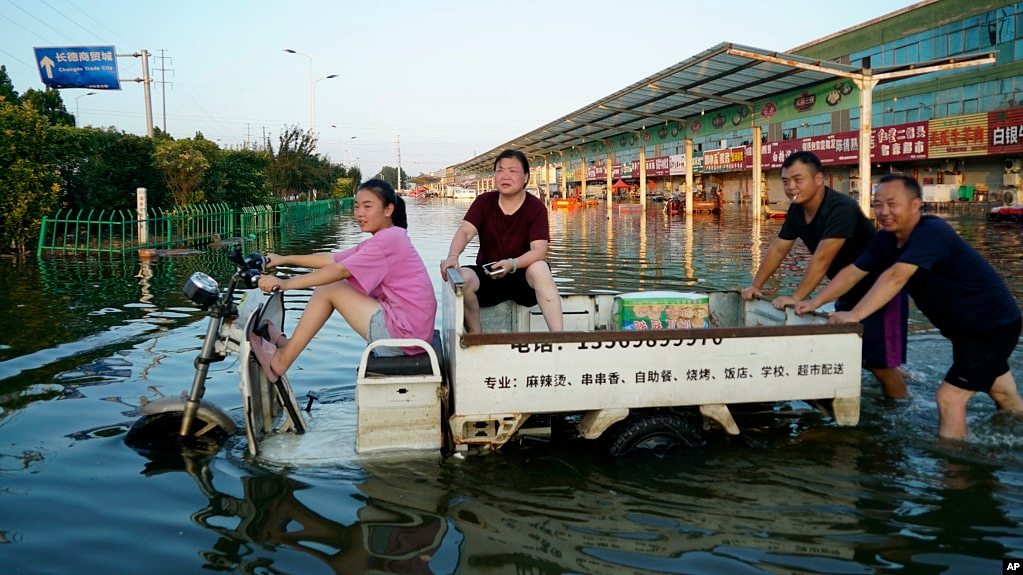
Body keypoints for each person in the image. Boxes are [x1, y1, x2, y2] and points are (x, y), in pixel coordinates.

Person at [796, 174, 1023, 440]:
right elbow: (854, 271)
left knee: (949, 399)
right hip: (967, 330)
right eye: (878, 204)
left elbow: (895, 277)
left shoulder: (932, 232)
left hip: (989, 327)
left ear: (916, 204)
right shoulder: (886, 240)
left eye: (892, 204)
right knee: (1003, 394)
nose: (884, 212)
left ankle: (954, 469)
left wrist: (855, 314)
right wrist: (813, 302)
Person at [741, 151, 908, 398]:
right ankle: (903, 379)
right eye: (786, 181)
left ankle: (902, 411)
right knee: (860, 354)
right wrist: (756, 285)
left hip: (881, 291)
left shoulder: (841, 208)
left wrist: (798, 298)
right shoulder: (797, 211)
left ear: (819, 179)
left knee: (880, 366)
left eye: (798, 179)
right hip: (846, 290)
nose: (791, 187)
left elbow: (822, 258)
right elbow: (778, 248)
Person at [250, 179, 437, 382]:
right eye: (356, 206)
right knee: (331, 285)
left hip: (405, 337)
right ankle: (289, 346)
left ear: (388, 210)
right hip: (411, 331)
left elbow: (339, 271)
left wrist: (284, 283)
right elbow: (331, 259)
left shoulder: (388, 241)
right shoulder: (389, 237)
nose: (360, 214)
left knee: (329, 288)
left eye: (368, 206)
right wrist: (283, 259)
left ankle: (281, 361)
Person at [440, 149, 563, 333]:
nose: (505, 176)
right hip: (490, 275)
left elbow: (539, 250)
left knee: (541, 268)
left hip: (523, 276)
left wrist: (512, 264)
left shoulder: (535, 207)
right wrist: (453, 255)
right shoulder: (484, 202)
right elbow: (465, 232)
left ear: (526, 177)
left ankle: (559, 337)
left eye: (512, 171)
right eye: (500, 170)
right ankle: (477, 337)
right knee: (462, 279)